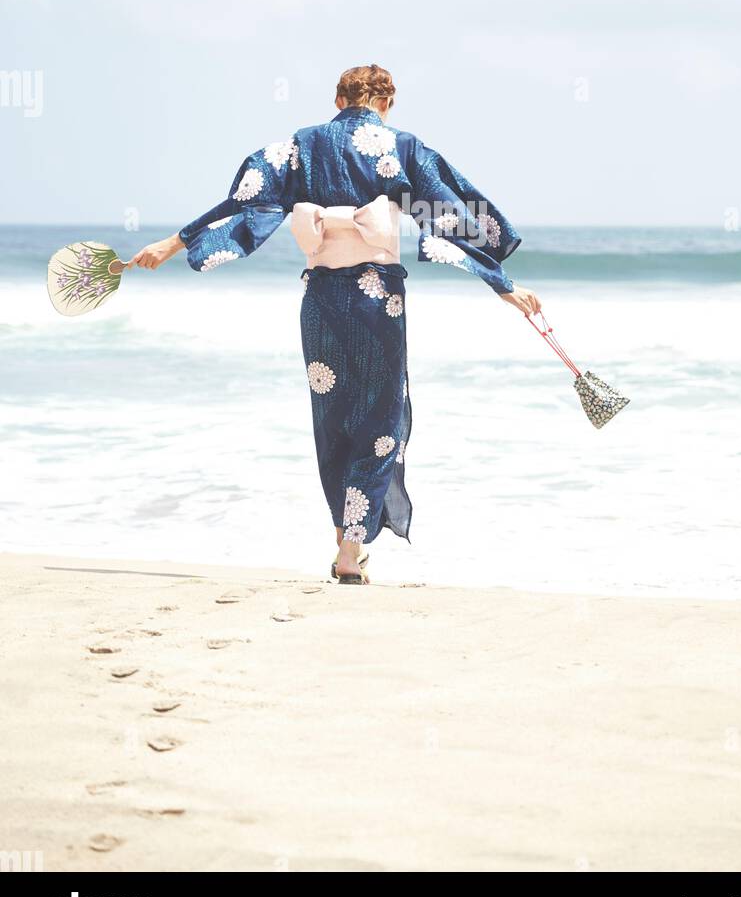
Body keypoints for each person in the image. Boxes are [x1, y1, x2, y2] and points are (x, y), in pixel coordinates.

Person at [132, 64, 541, 583]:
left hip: (320, 298)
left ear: (338, 98)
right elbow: (450, 218)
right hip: (377, 300)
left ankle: (344, 543)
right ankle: (351, 549)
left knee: (333, 420)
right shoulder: (402, 148)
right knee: (381, 422)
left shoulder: (301, 147)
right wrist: (503, 283)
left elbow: (245, 201)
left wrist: (174, 242)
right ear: (386, 103)